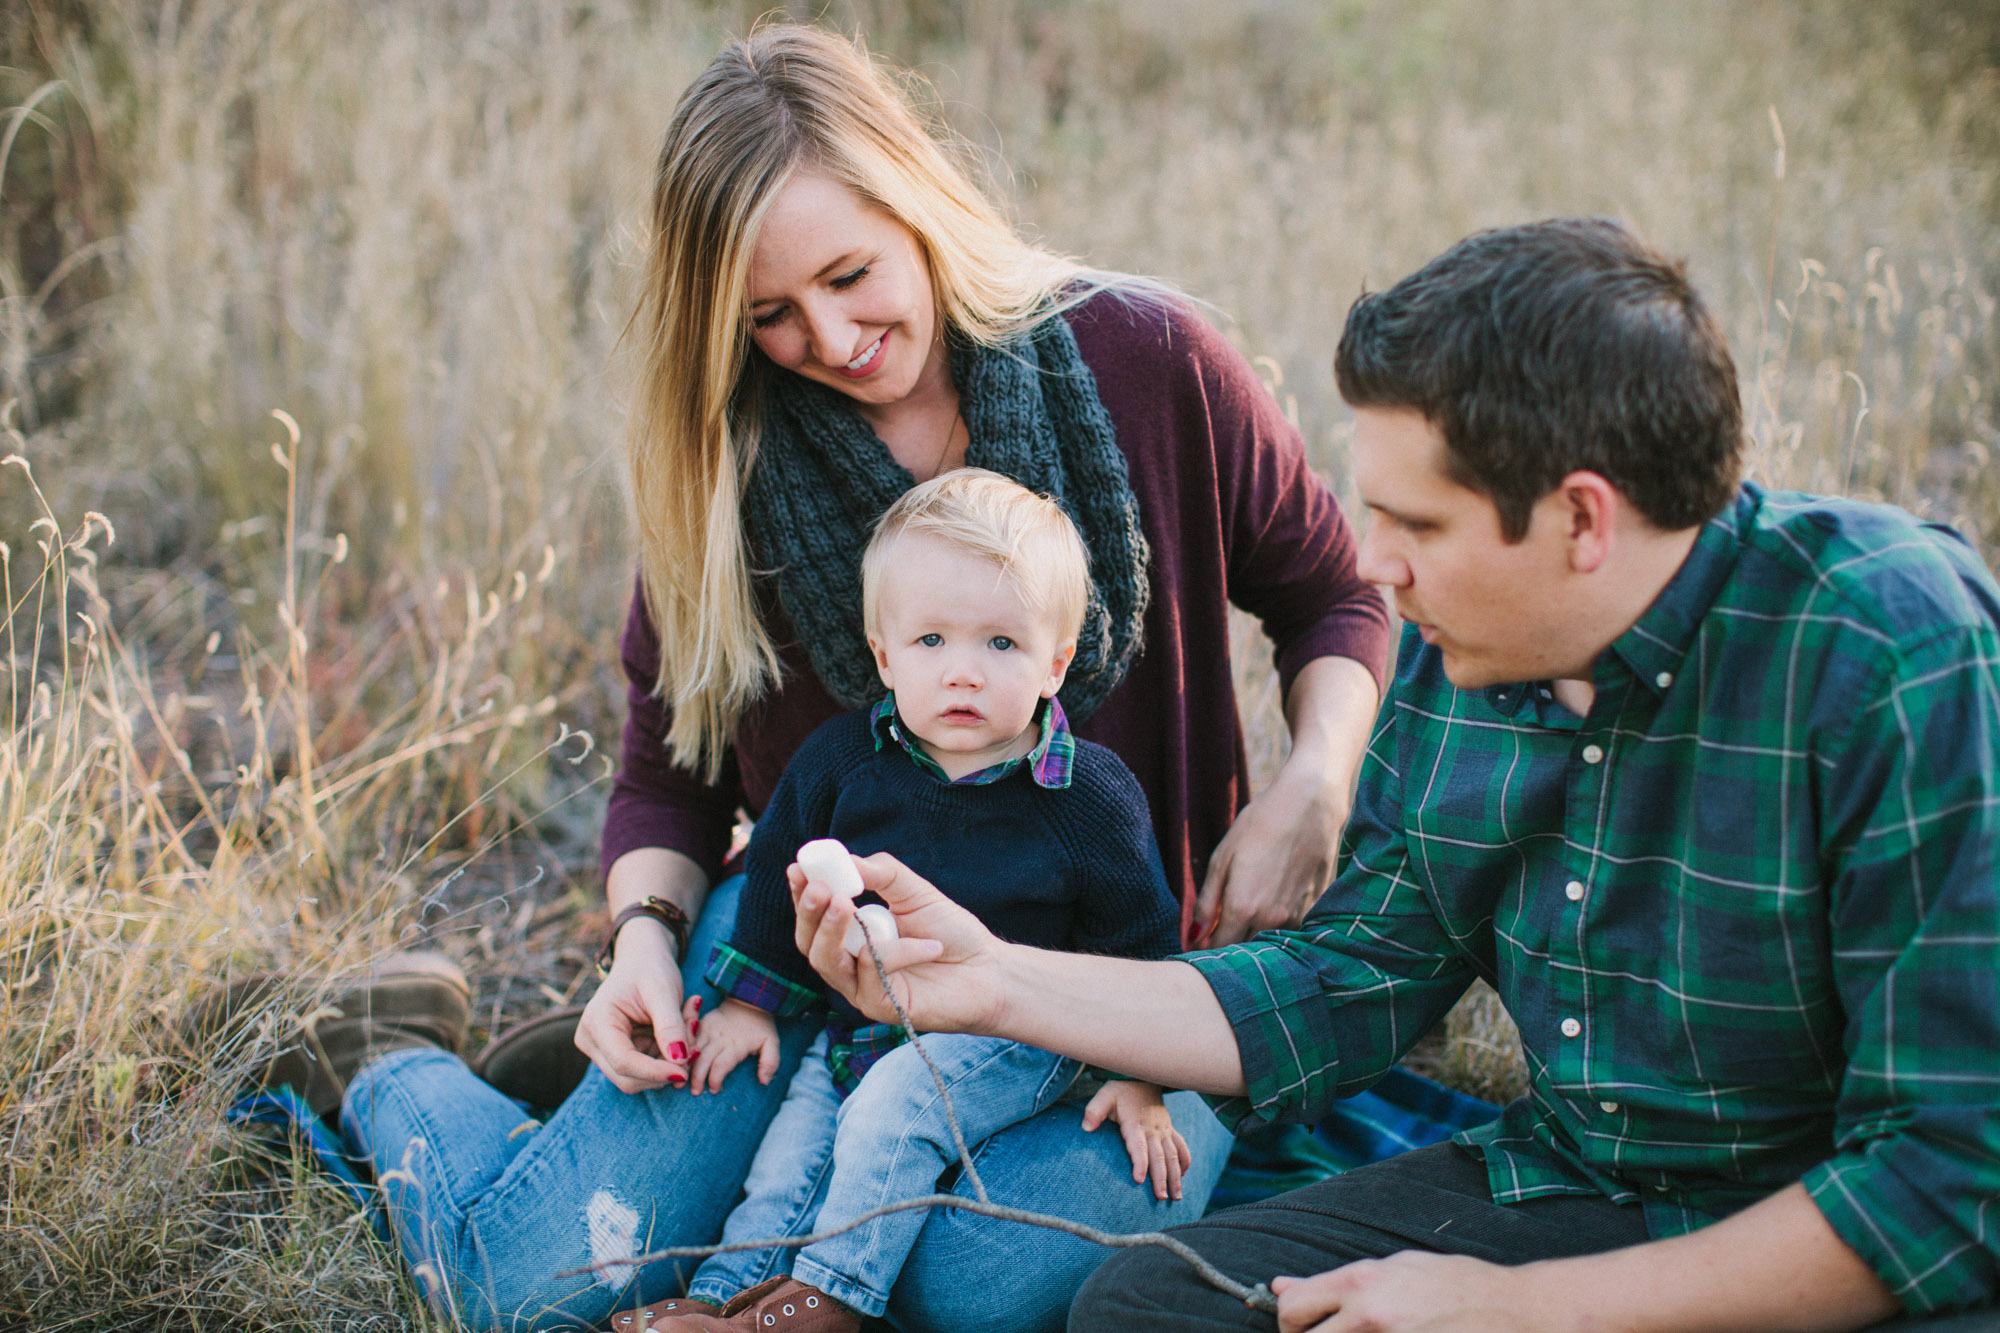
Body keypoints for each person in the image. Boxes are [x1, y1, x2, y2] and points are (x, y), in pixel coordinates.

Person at [328, 22, 1397, 1332]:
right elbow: (665, 777)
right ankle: (385, 1060)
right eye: (768, 314)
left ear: (917, 201)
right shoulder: (724, 463)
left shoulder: (1148, 355)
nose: (830, 338)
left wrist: (1315, 785)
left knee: (978, 1285)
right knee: (523, 1290)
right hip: (815, 981)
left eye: (849, 274)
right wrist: (645, 945)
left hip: (1129, 985)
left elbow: (1334, 595)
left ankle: (639, 1151)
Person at [789, 218, 2000, 1332]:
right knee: (1150, 1304)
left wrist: (1520, 1312)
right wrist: (995, 982)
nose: (1373, 567)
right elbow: (1344, 976)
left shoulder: (1888, 645)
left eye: (1413, 526)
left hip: (1834, 1237)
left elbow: (1944, 1177)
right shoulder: (1456, 661)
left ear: (1581, 520)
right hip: (1577, 1186)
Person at [660, 469, 1192, 1332]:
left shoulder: (1086, 797)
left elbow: (1140, 936)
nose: (963, 674)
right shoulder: (842, 765)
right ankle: (728, 1304)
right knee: (790, 1162)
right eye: (933, 640)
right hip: (860, 1030)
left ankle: (831, 1299)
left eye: (1001, 645)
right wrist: (755, 1002)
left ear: (1056, 661)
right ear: (884, 653)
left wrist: (1139, 1075)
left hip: (1023, 1031)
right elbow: (774, 873)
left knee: (896, 1106)